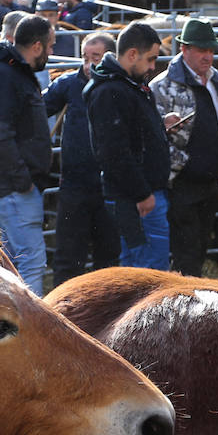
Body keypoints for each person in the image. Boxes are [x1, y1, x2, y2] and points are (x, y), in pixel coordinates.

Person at [0, 13, 53, 292]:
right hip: (14, 187)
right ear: (37, 46)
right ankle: (35, 327)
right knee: (31, 262)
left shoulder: (9, 73)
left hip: (13, 184)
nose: (52, 51)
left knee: (14, 261)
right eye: (50, 45)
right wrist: (24, 181)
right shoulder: (6, 75)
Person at [149, 18, 218, 276]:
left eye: (211, 50)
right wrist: (183, 164)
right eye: (201, 50)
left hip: (212, 181)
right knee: (186, 251)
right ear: (184, 49)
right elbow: (156, 139)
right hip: (181, 183)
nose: (208, 56)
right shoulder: (162, 87)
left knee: (202, 245)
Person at [85, 21, 170, 270]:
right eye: (151, 59)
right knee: (147, 268)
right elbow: (113, 151)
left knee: (142, 262)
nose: (153, 66)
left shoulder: (127, 85)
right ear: (132, 54)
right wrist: (142, 193)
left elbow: (130, 136)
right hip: (137, 199)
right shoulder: (110, 91)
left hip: (142, 194)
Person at [43, 31, 117, 285]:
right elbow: (38, 106)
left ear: (110, 57)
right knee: (68, 253)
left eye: (95, 57)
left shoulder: (119, 85)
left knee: (108, 254)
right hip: (75, 182)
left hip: (110, 185)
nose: (88, 64)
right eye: (85, 57)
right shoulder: (68, 84)